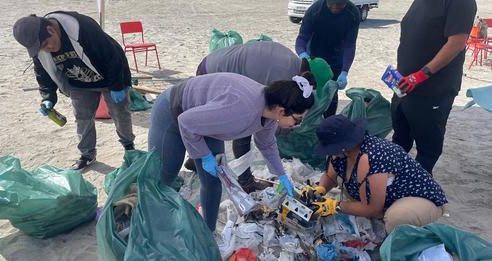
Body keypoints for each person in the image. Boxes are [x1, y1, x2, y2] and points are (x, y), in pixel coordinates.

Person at [148, 72, 315, 231]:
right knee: (165, 175)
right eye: (297, 120)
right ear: (281, 111)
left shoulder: (271, 113)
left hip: (206, 121)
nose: (296, 125)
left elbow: (266, 144)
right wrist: (204, 156)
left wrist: (281, 175)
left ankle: (208, 232)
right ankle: (147, 221)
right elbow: (185, 122)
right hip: (173, 110)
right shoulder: (241, 110)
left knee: (213, 181)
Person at [186, 41, 333, 193]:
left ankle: (196, 158)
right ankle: (245, 181)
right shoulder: (281, 74)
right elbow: (266, 118)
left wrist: (281, 175)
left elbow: (267, 130)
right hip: (211, 74)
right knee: (241, 129)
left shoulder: (291, 64)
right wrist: (285, 129)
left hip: (221, 68)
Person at [13, 12, 135, 170]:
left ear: (51, 30)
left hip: (109, 77)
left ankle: (129, 148)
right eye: (42, 49)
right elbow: (43, 72)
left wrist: (117, 86)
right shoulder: (39, 48)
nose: (47, 50)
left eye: (46, 44)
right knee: (82, 118)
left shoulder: (81, 27)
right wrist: (48, 96)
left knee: (120, 114)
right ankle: (87, 155)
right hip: (79, 82)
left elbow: (112, 56)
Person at [312, 115, 448, 233]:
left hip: (422, 198)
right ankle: (382, 216)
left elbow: (370, 207)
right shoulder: (342, 155)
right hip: (386, 198)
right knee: (360, 205)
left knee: (396, 217)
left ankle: (405, 235)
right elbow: (330, 176)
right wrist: (320, 189)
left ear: (343, 146)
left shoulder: (370, 157)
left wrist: (335, 206)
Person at [392, 0, 477, 174]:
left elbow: (456, 43)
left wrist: (420, 75)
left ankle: (418, 192)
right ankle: (394, 186)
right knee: (399, 141)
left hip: (433, 89)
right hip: (404, 86)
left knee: (427, 149)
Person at [295, 0, 360, 118]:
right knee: (308, 95)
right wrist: (303, 55)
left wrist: (344, 71)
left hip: (335, 61)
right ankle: (307, 124)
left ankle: (328, 124)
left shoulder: (353, 14)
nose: (335, 8)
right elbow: (302, 38)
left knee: (331, 96)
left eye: (339, 5)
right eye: (331, 4)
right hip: (313, 61)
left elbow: (350, 45)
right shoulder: (315, 10)